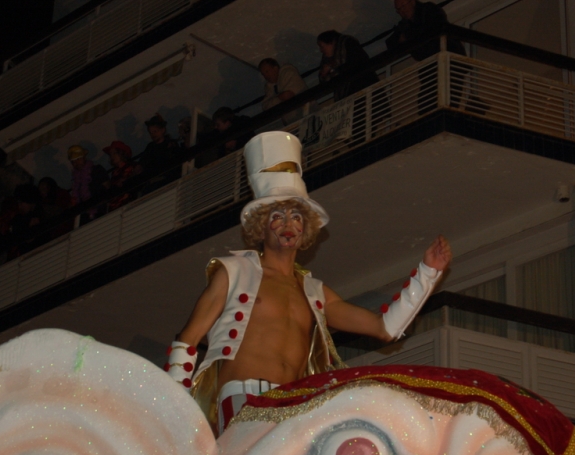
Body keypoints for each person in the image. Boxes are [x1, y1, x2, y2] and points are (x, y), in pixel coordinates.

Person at [165, 131, 452, 434]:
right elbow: (188, 339)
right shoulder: (234, 272)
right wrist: (171, 415)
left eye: (297, 217)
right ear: (262, 226)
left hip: (295, 406)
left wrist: (428, 273)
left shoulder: (315, 292)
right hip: (243, 398)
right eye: (278, 216)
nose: (289, 225)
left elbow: (384, 328)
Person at [386, 0, 488, 114]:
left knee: (449, 97)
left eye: (403, 6)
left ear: (412, 2)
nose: (402, 11)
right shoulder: (405, 25)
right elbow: (390, 43)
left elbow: (433, 28)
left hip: (450, 61)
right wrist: (402, 38)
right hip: (431, 67)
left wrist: (407, 37)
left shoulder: (428, 10)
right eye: (398, 9)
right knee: (426, 104)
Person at [138, 114, 181, 194]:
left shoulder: (171, 144)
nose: (153, 135)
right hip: (151, 186)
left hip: (167, 183)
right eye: (151, 132)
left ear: (162, 130)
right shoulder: (150, 147)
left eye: (155, 131)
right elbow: (142, 162)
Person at [259, 58, 308, 125]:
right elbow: (266, 107)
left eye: (267, 71)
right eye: (263, 74)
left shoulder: (288, 73)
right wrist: (279, 98)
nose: (266, 76)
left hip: (308, 117)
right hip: (292, 123)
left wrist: (275, 100)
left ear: (275, 68)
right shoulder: (269, 87)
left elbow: (288, 95)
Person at [68, 144, 108, 223]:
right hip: (84, 218)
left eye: (78, 159)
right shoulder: (76, 181)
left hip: (100, 212)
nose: (76, 163)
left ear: (84, 158)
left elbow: (107, 186)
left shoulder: (97, 170)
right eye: (73, 161)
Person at [102, 140, 138, 211]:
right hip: (115, 207)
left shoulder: (131, 165)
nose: (112, 156)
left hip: (127, 204)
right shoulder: (114, 172)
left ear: (121, 153)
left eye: (114, 153)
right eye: (110, 154)